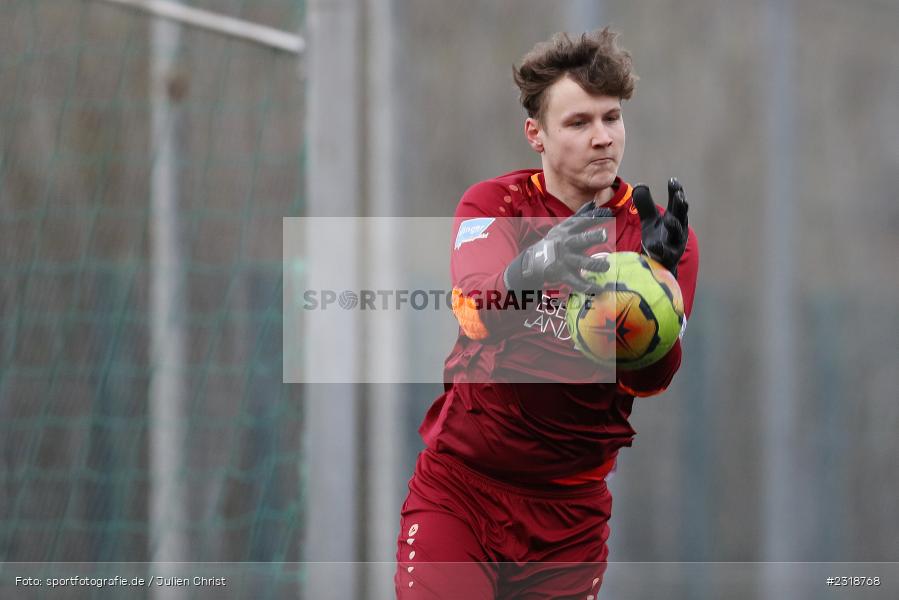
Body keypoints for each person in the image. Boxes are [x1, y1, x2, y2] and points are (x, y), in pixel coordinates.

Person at [395, 28, 698, 599]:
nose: (602, 138)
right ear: (535, 133)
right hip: (462, 494)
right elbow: (474, 316)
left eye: (611, 118)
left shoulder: (656, 234)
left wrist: (654, 283)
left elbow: (653, 380)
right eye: (579, 123)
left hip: (570, 519)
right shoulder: (495, 205)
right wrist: (533, 267)